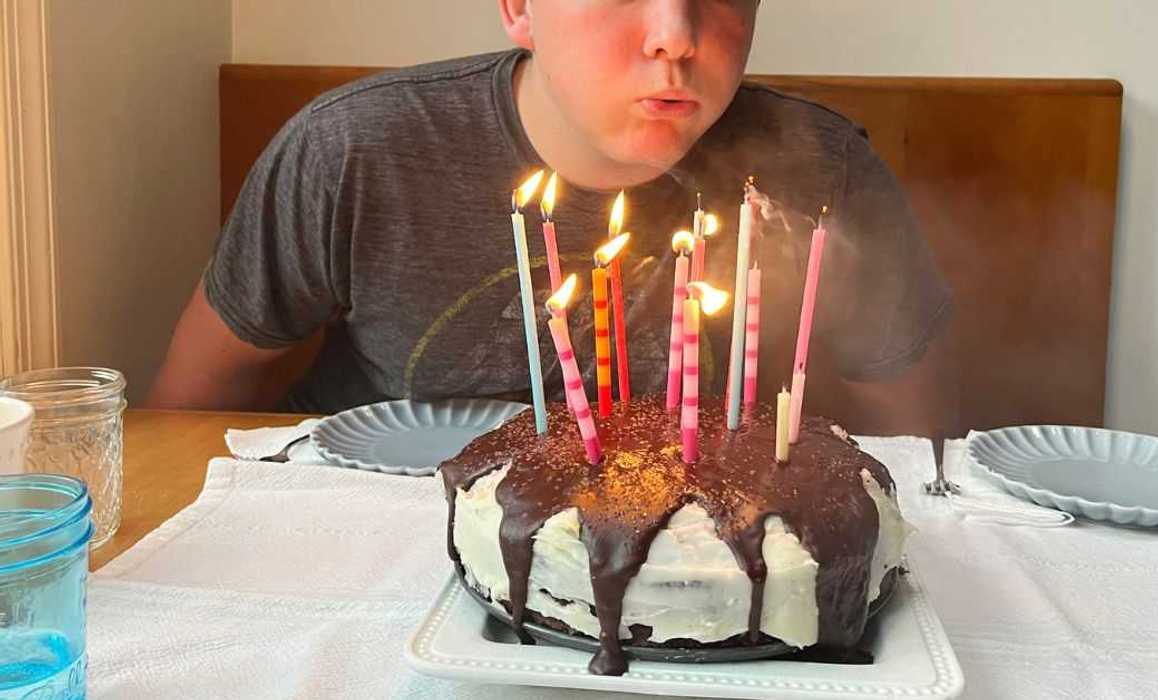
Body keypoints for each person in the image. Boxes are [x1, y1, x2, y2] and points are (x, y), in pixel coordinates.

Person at [147, 0, 956, 436]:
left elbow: (922, 446)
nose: (675, 35)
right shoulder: (354, 150)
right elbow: (188, 410)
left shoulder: (817, 170)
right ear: (518, 7)